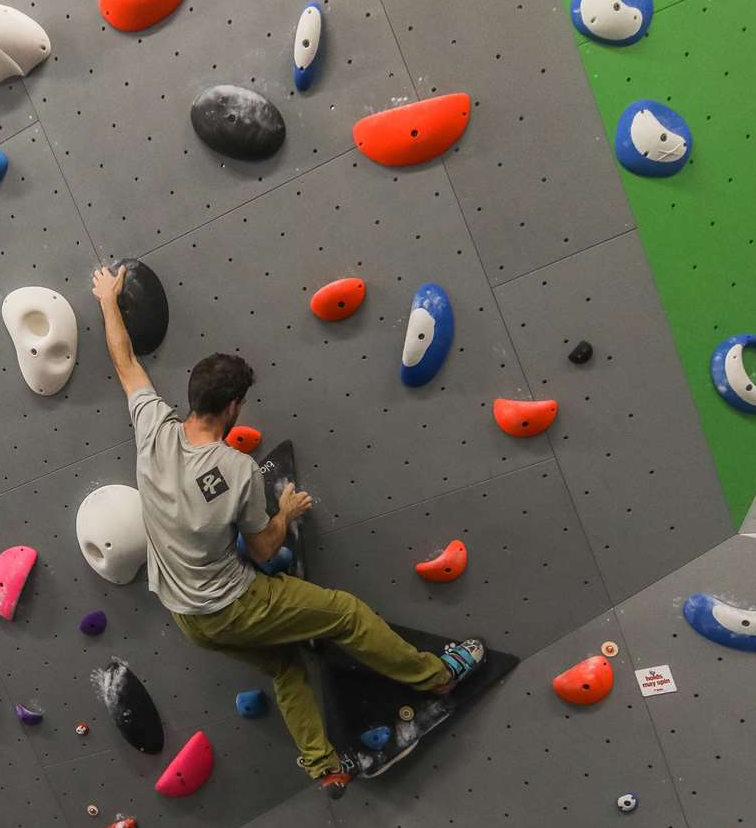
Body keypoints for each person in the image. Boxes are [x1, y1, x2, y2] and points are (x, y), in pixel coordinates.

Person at [91, 265, 486, 797]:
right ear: (233, 407)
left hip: (186, 617)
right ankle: (435, 675)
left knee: (285, 666)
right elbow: (263, 547)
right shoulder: (236, 471)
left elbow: (125, 361)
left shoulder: (152, 431)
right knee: (344, 613)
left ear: (190, 398)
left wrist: (107, 299)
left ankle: (324, 766)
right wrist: (286, 512)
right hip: (233, 604)